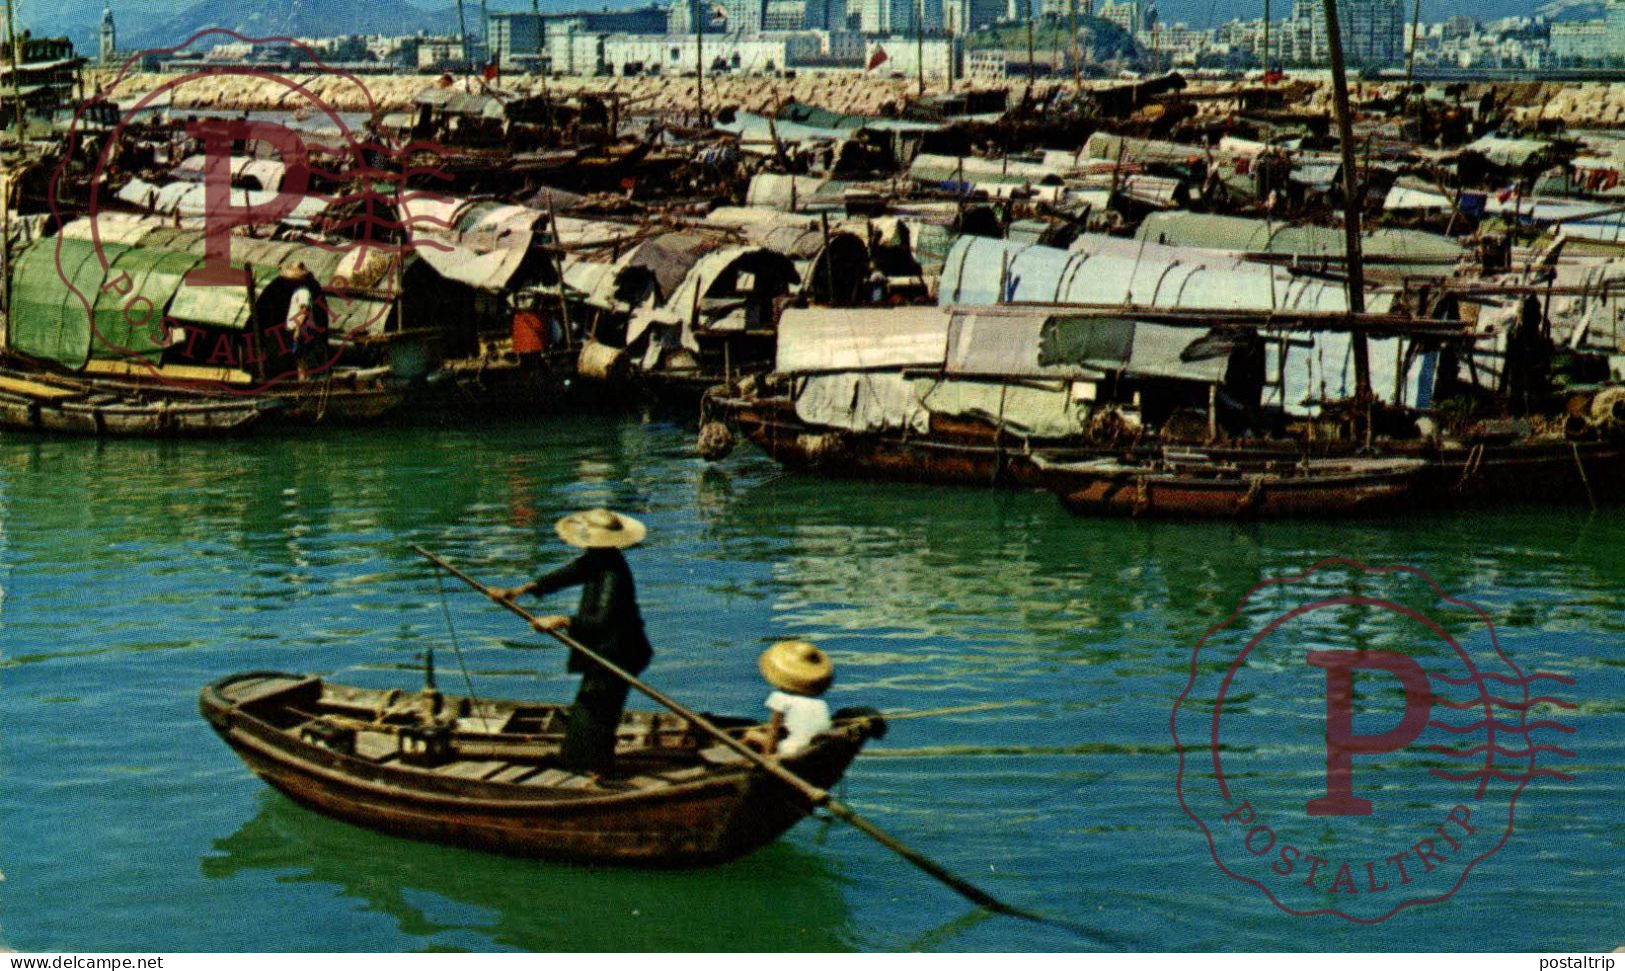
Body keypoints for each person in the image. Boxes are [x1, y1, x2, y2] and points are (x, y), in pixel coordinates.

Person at [496, 508, 653, 777]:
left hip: (621, 652)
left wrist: (561, 620)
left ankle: (598, 774)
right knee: (589, 713)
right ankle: (585, 766)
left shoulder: (613, 572)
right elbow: (567, 573)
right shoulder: (597, 559)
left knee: (597, 713)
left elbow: (602, 620)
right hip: (606, 650)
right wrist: (521, 590)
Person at [754, 639, 834, 757]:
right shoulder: (820, 703)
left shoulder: (780, 698)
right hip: (815, 746)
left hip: (791, 750)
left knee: (750, 735)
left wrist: (767, 756)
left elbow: (773, 733)